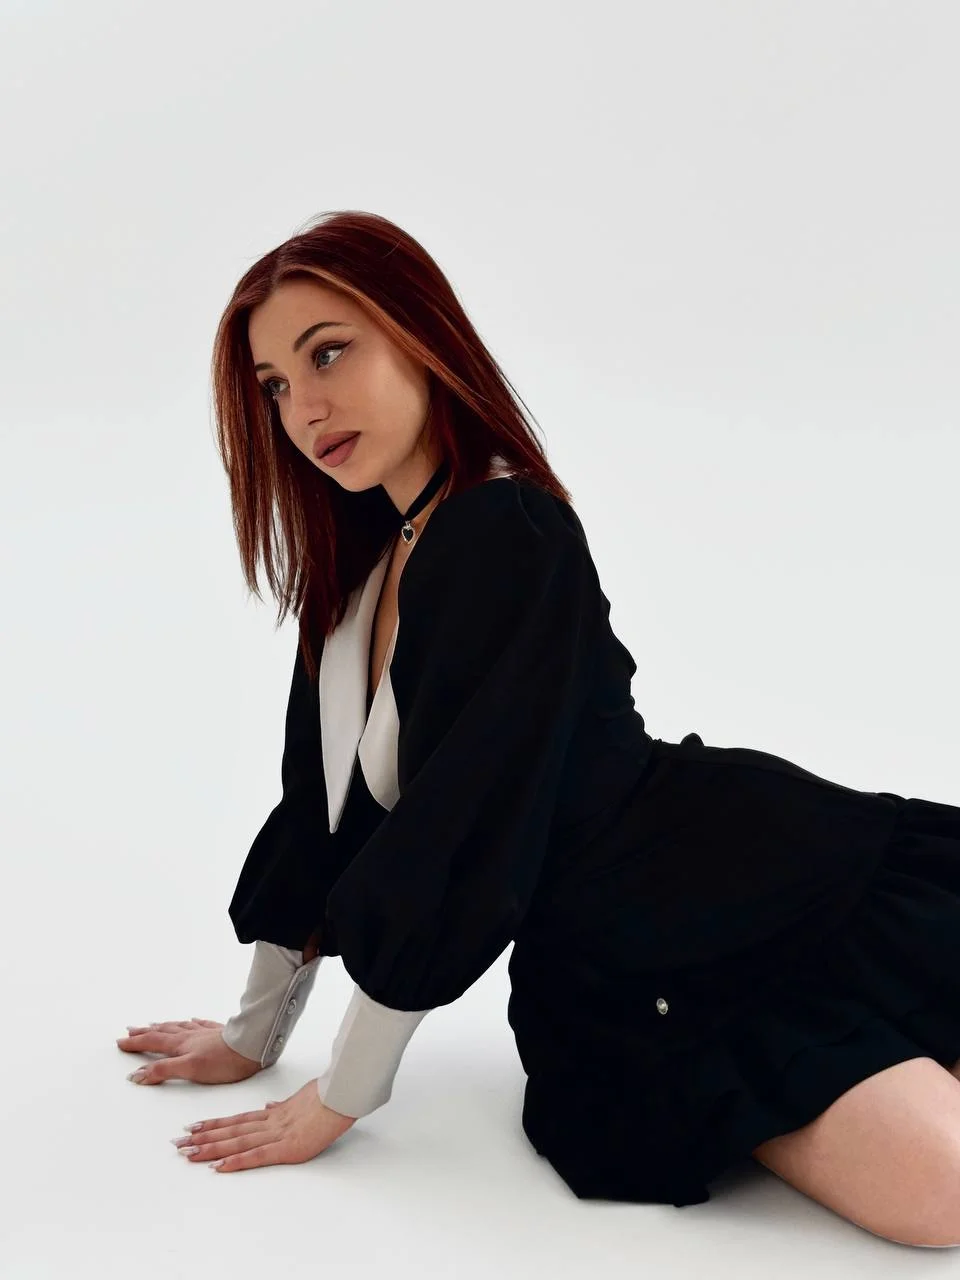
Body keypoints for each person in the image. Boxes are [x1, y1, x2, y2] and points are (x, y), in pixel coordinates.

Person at [117, 211, 960, 1247]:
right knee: (940, 1192)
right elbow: (319, 821)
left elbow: (459, 829)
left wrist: (343, 1090)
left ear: (421, 334)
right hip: (603, 964)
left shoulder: (509, 531)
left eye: (328, 352)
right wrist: (254, 1033)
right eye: (275, 386)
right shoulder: (360, 575)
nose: (305, 407)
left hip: (721, 862)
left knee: (941, 1182)